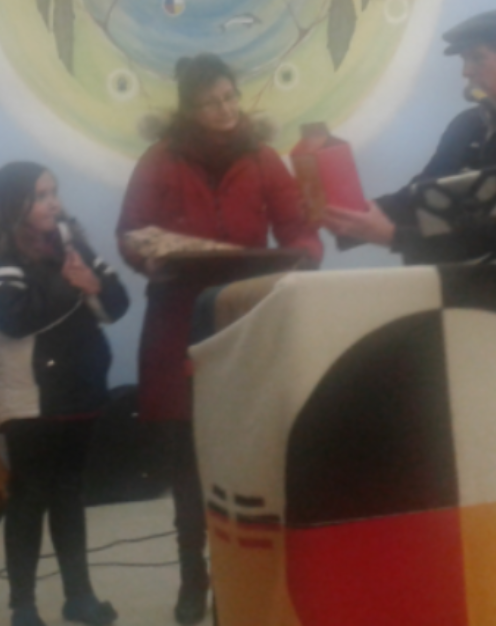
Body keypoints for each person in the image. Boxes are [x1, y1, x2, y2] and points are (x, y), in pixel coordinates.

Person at [116, 53, 323, 624]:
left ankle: (254, 573)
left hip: (248, 317)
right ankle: (192, 576)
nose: (226, 110)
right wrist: (149, 253)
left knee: (256, 450)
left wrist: (302, 256)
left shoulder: (262, 158)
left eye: (231, 97)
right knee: (188, 459)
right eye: (211, 102)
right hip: (179, 322)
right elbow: (130, 234)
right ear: (190, 106)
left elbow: (301, 229)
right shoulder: (160, 159)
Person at [0, 162, 129, 626]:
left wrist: (92, 283)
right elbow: (13, 318)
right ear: (11, 205)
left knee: (69, 495)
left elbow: (115, 304)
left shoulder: (70, 242)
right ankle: (23, 606)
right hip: (31, 399)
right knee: (29, 497)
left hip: (82, 389)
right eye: (40, 195)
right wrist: (68, 281)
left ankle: (79, 597)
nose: (53, 203)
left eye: (53, 192)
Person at [324, 8, 496, 264]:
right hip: (453, 283)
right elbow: (424, 193)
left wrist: (396, 237)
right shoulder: (468, 124)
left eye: (477, 57)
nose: (466, 71)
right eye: (464, 60)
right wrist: (351, 215)